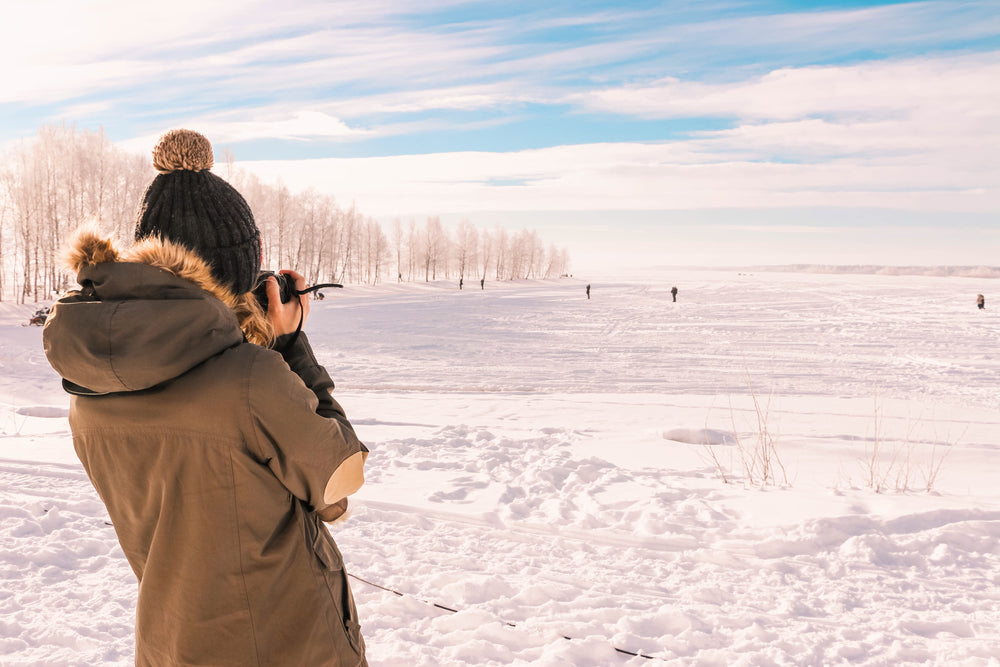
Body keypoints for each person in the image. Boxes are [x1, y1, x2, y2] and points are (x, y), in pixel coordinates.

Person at [43, 130, 368, 666]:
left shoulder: (90, 385)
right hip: (288, 647)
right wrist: (288, 343)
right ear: (235, 270)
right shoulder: (251, 380)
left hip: (170, 645)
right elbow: (341, 477)